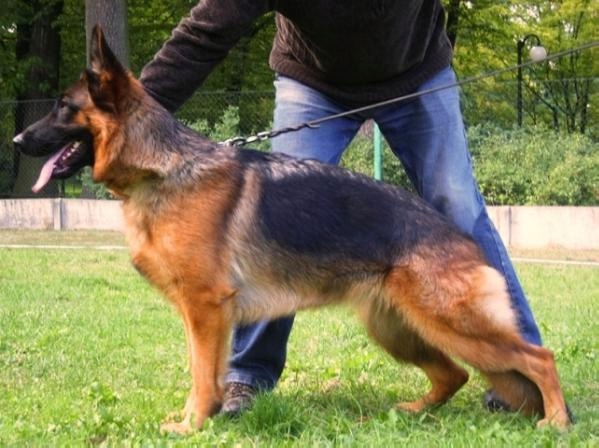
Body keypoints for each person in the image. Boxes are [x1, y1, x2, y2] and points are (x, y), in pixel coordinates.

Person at [140, 0, 543, 416]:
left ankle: (520, 369)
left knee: (456, 202)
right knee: (276, 217)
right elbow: (205, 32)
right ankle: (248, 373)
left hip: (418, 74)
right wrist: (130, 110)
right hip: (314, 82)